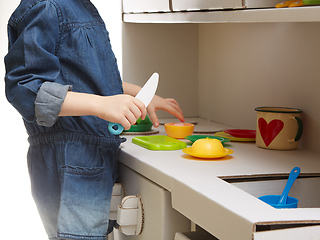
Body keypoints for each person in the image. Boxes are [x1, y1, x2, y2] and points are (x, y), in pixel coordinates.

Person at [4, 0, 185, 239]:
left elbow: (83, 77)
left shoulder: (78, 6)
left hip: (87, 160)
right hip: (70, 162)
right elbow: (25, 88)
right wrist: (102, 105)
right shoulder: (47, 6)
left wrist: (136, 94)